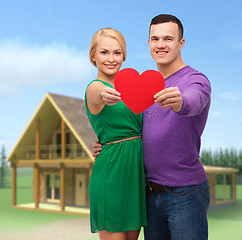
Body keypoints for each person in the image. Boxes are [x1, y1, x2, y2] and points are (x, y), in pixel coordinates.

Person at [93, 15, 211, 240]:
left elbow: (195, 100)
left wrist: (181, 102)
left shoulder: (196, 80)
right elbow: (134, 129)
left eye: (168, 38)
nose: (161, 44)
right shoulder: (145, 86)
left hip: (185, 193)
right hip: (148, 194)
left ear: (181, 43)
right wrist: (107, 145)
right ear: (148, 43)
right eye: (155, 38)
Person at [85, 28, 147, 240]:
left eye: (117, 53)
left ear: (124, 55)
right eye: (104, 52)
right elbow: (95, 95)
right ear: (93, 55)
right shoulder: (95, 87)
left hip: (135, 177)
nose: (111, 59)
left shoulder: (132, 89)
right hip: (112, 175)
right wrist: (103, 94)